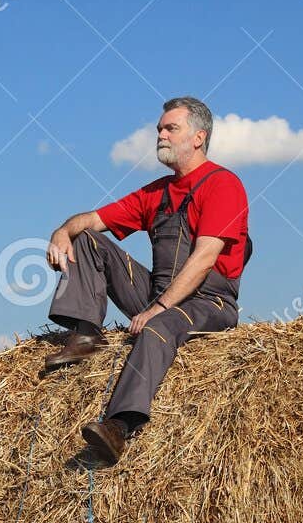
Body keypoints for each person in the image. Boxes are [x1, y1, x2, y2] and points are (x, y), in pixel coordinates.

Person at [42, 95, 252, 465]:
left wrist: (158, 307)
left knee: (158, 328)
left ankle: (119, 426)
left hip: (209, 303)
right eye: (159, 129)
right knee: (88, 240)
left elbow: (204, 258)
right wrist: (63, 231)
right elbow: (91, 220)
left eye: (172, 128)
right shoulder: (157, 192)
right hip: (159, 292)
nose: (161, 135)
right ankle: (87, 334)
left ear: (199, 137)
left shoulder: (223, 185)